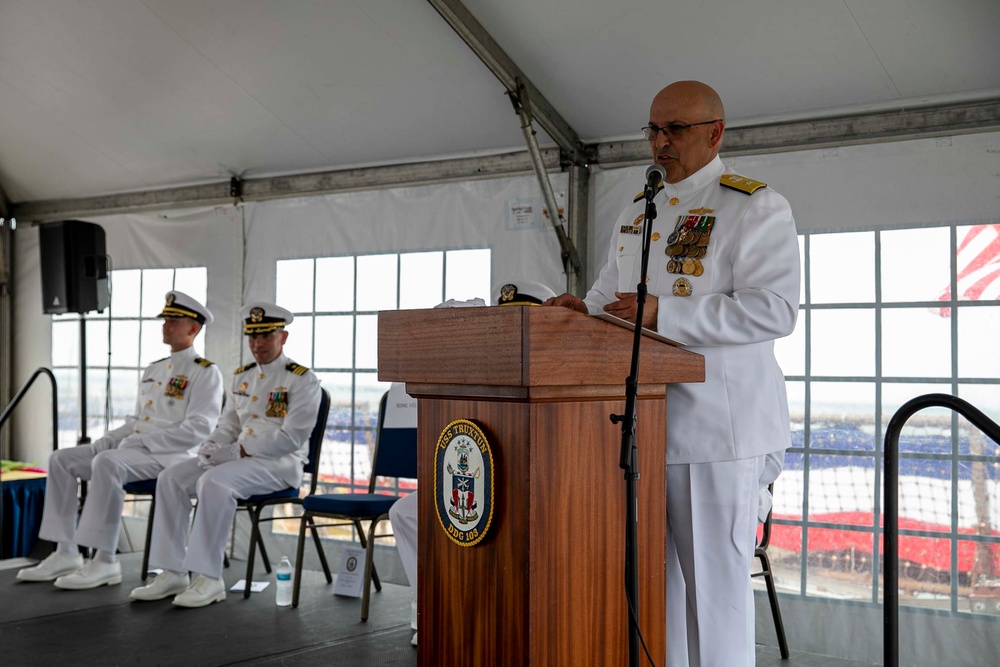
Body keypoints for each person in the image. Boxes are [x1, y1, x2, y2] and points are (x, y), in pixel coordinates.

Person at [544, 81, 800, 667]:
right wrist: (581, 311)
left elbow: (775, 309)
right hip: (646, 429)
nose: (660, 143)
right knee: (654, 590)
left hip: (719, 432)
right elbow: (610, 297)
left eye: (675, 130)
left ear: (715, 132)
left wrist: (668, 312)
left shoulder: (753, 205)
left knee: (715, 594)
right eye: (653, 130)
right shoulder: (640, 212)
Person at [389, 280, 557, 647]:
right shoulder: (486, 368)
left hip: (537, 490)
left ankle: (502, 618)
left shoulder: (559, 369)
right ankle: (432, 610)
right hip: (485, 484)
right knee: (406, 512)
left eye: (524, 322)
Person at [17, 292, 223, 589]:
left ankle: (104, 560)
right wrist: (109, 438)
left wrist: (142, 443)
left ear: (193, 329)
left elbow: (198, 430)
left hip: (171, 456)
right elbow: (137, 421)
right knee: (61, 460)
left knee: (108, 462)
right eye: (165, 319)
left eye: (174, 321)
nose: (166, 325)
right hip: (135, 450)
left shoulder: (205, 373)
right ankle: (66, 551)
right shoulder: (155, 369)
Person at [129, 302, 321, 608]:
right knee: (171, 477)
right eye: (252, 337)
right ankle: (173, 571)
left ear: (282, 338)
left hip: (280, 465)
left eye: (266, 337)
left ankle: (209, 577)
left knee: (215, 482)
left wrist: (237, 451)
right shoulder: (242, 377)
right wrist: (212, 446)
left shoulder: (302, 380)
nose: (258, 344)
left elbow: (291, 439)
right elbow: (229, 423)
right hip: (240, 460)